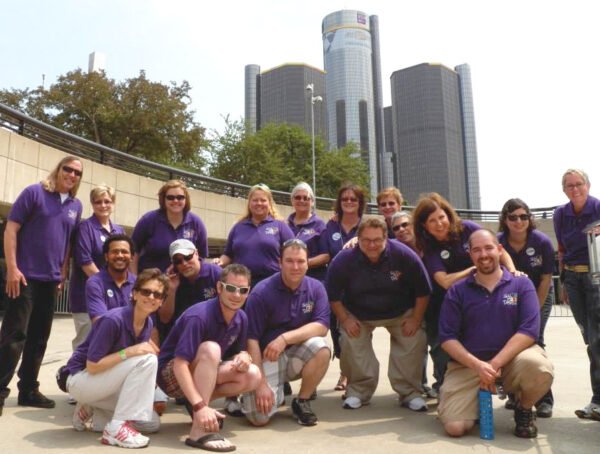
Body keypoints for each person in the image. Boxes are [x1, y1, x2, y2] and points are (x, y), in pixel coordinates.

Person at [438, 229, 554, 438]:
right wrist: (479, 366)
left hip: (511, 363)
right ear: (470, 255)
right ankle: (473, 403)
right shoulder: (457, 290)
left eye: (489, 248)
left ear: (499, 250)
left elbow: (529, 331)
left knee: (540, 369)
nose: (484, 254)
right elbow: (447, 338)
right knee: (455, 428)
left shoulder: (522, 284)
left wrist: (493, 365)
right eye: (477, 250)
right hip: (469, 366)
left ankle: (524, 408)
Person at [0, 156, 83, 415]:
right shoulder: (34, 193)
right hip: (24, 277)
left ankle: (28, 390)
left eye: (77, 172)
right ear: (58, 169)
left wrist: (63, 270)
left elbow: (67, 241)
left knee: (39, 339)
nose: (71, 174)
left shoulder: (75, 205)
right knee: (14, 336)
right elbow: (11, 230)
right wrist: (12, 268)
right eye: (67, 169)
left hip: (50, 281)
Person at [413, 193, 517, 393]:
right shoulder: (429, 246)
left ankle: (506, 390)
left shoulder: (467, 229)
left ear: (449, 215)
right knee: (441, 348)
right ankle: (445, 389)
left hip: (476, 299)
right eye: (432, 221)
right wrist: (474, 269)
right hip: (442, 305)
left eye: (441, 217)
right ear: (424, 226)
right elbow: (444, 282)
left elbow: (497, 250)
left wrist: (512, 273)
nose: (439, 224)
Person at [326, 217, 432, 411]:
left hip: (400, 311)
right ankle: (358, 391)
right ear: (358, 239)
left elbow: (423, 291)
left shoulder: (404, 254)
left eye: (377, 240)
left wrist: (416, 319)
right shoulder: (344, 259)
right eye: (366, 240)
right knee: (350, 339)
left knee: (414, 337)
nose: (372, 245)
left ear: (386, 238)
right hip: (358, 313)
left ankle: (409, 392)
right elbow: (332, 294)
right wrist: (345, 319)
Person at [157, 264, 261, 452]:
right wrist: (200, 406)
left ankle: (196, 402)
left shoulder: (241, 318)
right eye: (230, 288)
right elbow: (180, 364)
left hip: (201, 371)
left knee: (252, 374)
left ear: (248, 292)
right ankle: (199, 431)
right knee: (211, 349)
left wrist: (243, 355)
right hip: (170, 376)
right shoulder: (199, 316)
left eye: (242, 290)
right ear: (219, 288)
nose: (236, 295)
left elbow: (235, 352)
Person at [64, 268, 168, 448]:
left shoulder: (147, 323)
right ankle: (116, 427)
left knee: (151, 423)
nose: (151, 297)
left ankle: (93, 408)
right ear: (134, 294)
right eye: (146, 291)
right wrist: (128, 352)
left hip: (105, 384)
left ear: (161, 302)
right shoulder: (113, 320)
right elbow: (93, 365)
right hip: (80, 379)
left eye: (157, 295)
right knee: (148, 359)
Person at [242, 239, 330, 426]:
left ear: (308, 263)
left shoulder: (316, 288)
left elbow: (321, 326)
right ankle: (274, 390)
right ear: (280, 262)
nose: (295, 266)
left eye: (301, 261)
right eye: (289, 261)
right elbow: (252, 340)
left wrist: (284, 338)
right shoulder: (261, 292)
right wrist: (261, 383)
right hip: (267, 358)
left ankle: (302, 401)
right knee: (258, 418)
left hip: (296, 354)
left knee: (321, 348)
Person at [498, 198, 555, 417]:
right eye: (513, 217)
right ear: (505, 220)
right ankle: (515, 395)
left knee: (534, 340)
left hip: (539, 297)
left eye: (523, 216)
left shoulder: (541, 242)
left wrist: (534, 312)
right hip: (510, 301)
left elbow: (545, 279)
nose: (519, 221)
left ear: (529, 218)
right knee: (510, 342)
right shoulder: (498, 241)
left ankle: (544, 399)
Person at [553, 169, 600, 420]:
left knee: (597, 339)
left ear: (588, 185)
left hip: (597, 278)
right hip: (573, 277)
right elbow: (561, 249)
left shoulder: (598, 208)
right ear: (564, 190)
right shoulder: (561, 214)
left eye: (578, 184)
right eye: (569, 185)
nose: (575, 189)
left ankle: (597, 400)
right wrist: (562, 281)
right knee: (589, 339)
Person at [319, 182, 366, 392]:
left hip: (359, 289)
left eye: (353, 199)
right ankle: (344, 369)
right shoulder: (330, 226)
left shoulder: (366, 225)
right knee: (336, 334)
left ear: (359, 203)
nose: (348, 202)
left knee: (354, 333)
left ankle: (350, 375)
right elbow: (325, 254)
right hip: (334, 289)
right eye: (344, 199)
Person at [70, 185, 124, 347]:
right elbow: (85, 261)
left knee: (109, 344)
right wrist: (109, 285)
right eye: (98, 202)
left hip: (113, 298)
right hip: (85, 297)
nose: (103, 205)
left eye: (107, 201)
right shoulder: (85, 228)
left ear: (113, 204)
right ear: (92, 204)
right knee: (86, 343)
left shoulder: (118, 231)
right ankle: (76, 372)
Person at [216, 184, 294, 287]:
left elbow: (294, 254)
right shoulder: (238, 227)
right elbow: (228, 254)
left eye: (263, 200)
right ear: (249, 203)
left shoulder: (280, 226)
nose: (259, 203)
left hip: (272, 284)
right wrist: (220, 261)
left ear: (269, 203)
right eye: (255, 200)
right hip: (241, 285)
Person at [131, 179, 208, 274]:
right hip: (151, 282)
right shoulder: (149, 220)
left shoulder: (196, 222)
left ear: (186, 199)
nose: (175, 201)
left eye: (180, 197)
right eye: (170, 197)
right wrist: (133, 279)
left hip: (184, 283)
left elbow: (202, 256)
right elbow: (133, 250)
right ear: (163, 199)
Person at [159, 239, 221, 331]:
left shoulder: (216, 273)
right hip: (181, 330)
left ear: (196, 253)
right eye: (178, 261)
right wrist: (172, 289)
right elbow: (164, 319)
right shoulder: (170, 279)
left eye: (188, 257)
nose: (184, 263)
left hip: (211, 329)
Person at [85, 234, 137, 322]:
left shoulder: (138, 283)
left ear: (132, 257)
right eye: (115, 252)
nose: (120, 255)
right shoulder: (95, 283)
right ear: (106, 257)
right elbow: (99, 322)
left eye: (124, 252)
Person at [286, 182, 328, 281]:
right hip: (289, 279)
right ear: (292, 201)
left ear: (312, 202)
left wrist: (303, 263)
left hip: (313, 278)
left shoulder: (319, 224)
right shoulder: (285, 224)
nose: (302, 200)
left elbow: (326, 256)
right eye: (298, 197)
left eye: (306, 198)